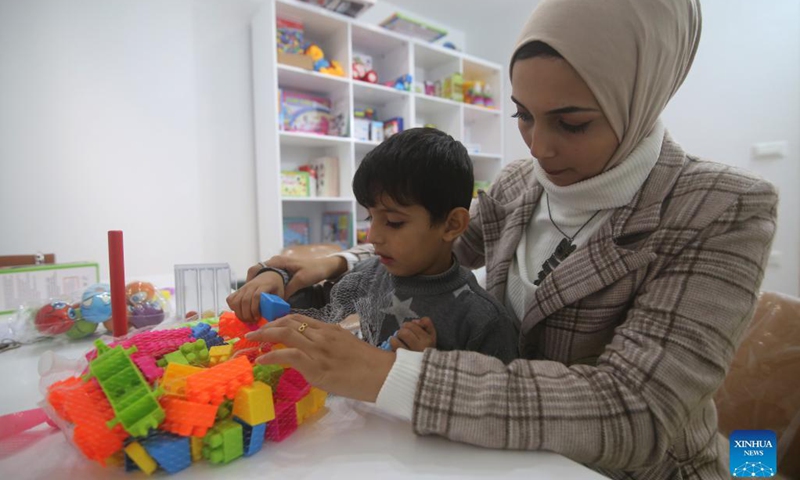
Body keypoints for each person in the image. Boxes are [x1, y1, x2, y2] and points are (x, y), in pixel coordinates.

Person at [234, 0, 779, 478]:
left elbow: (636, 410)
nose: (539, 147)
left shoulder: (723, 208)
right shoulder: (522, 184)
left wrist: (391, 374)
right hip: (494, 453)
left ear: (641, 95)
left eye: (572, 123)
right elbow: (442, 243)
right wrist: (335, 262)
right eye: (523, 116)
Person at [229, 127, 519, 363]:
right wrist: (274, 278)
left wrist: (429, 368)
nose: (373, 237)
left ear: (452, 224)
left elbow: (497, 411)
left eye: (393, 222)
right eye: (371, 218)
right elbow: (309, 309)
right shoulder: (370, 275)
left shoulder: (484, 321)